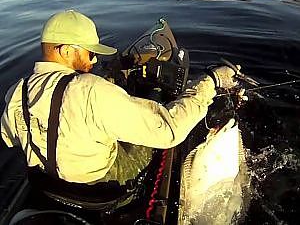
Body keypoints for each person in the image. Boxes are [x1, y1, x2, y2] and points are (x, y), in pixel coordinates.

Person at [1, 10, 237, 186]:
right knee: (152, 134)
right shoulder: (90, 90)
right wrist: (210, 82)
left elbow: (10, 138)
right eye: (90, 52)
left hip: (47, 184)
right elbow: (169, 130)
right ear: (66, 51)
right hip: (102, 185)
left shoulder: (15, 92)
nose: (94, 61)